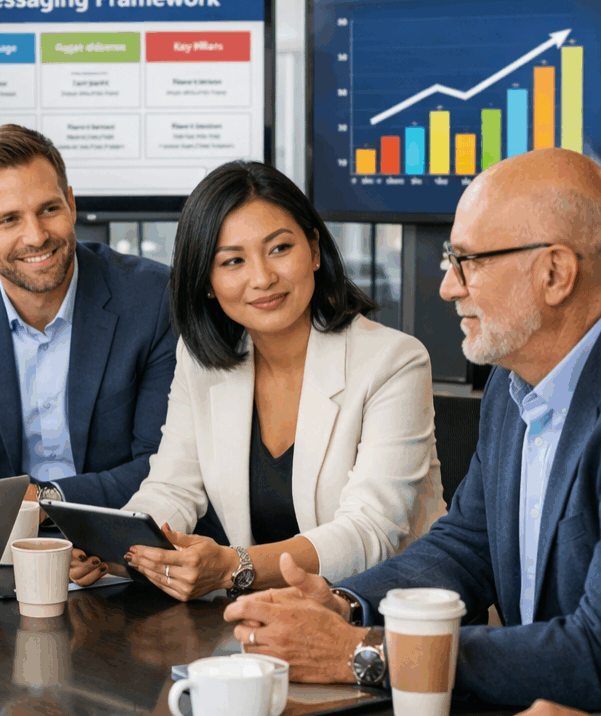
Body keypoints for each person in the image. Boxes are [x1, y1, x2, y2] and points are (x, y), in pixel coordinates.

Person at [224, 147, 601, 710]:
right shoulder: (511, 384)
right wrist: (345, 605)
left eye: (468, 261)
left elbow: (594, 654)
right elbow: (469, 546)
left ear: (555, 273)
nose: (449, 286)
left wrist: (361, 650)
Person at [71, 160, 445, 600]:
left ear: (314, 248)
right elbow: (173, 486)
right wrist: (120, 550)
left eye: (280, 249)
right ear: (207, 282)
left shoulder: (393, 361)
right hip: (268, 616)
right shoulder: (201, 362)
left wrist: (234, 566)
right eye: (232, 261)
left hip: (385, 612)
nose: (263, 278)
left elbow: (369, 532)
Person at [0, 125, 176, 508]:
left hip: (120, 529)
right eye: (9, 219)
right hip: (0, 536)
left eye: (49, 209)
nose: (36, 236)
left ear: (71, 205)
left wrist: (41, 501)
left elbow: (163, 465)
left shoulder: (153, 298)